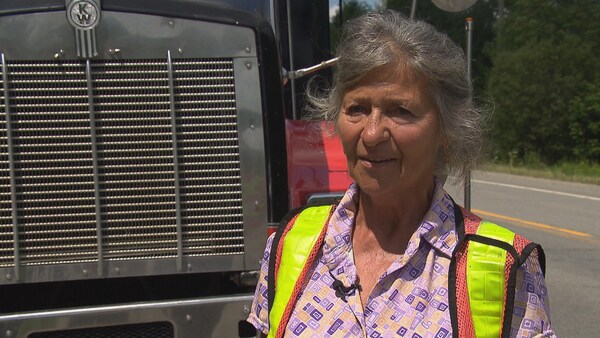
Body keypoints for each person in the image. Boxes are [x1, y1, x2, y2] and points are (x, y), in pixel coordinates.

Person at [247, 10, 555, 338]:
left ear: (447, 129)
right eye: (357, 109)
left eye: (401, 111)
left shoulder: (503, 267)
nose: (372, 133)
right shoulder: (292, 241)